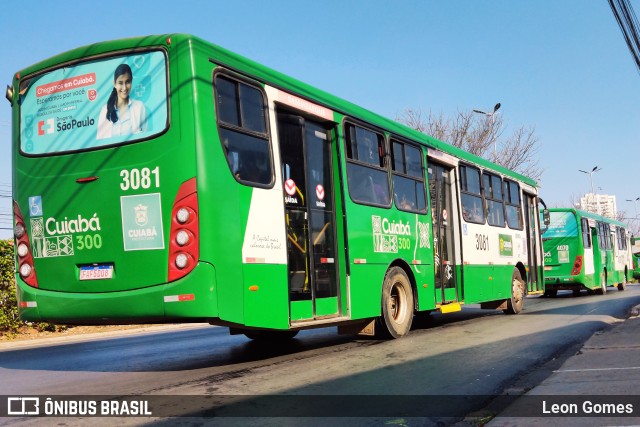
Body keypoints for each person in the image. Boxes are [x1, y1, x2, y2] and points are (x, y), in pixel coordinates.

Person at [97, 64, 147, 139]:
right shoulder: (105, 110)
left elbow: (145, 138)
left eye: (127, 82)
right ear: (114, 84)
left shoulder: (140, 107)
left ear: (131, 81)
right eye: (120, 83)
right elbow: (100, 142)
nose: (124, 87)